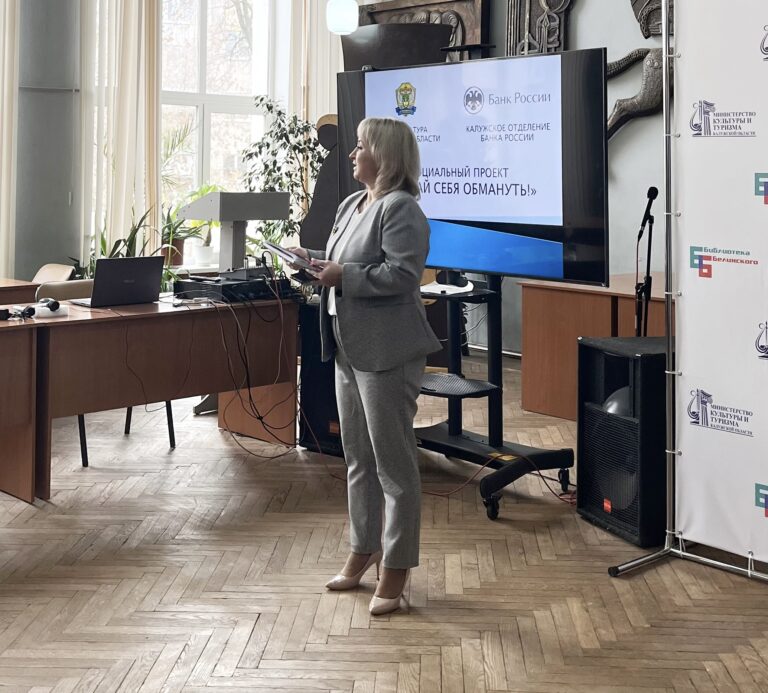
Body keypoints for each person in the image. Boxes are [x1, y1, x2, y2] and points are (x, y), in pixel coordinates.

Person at [290, 117, 440, 615]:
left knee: (393, 465)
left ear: (385, 156)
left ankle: (396, 566)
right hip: (347, 346)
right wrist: (308, 260)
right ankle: (363, 548)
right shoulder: (353, 204)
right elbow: (339, 260)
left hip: (387, 351)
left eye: (361, 146)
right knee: (356, 457)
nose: (353, 154)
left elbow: (402, 275)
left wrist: (342, 275)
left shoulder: (402, 209)